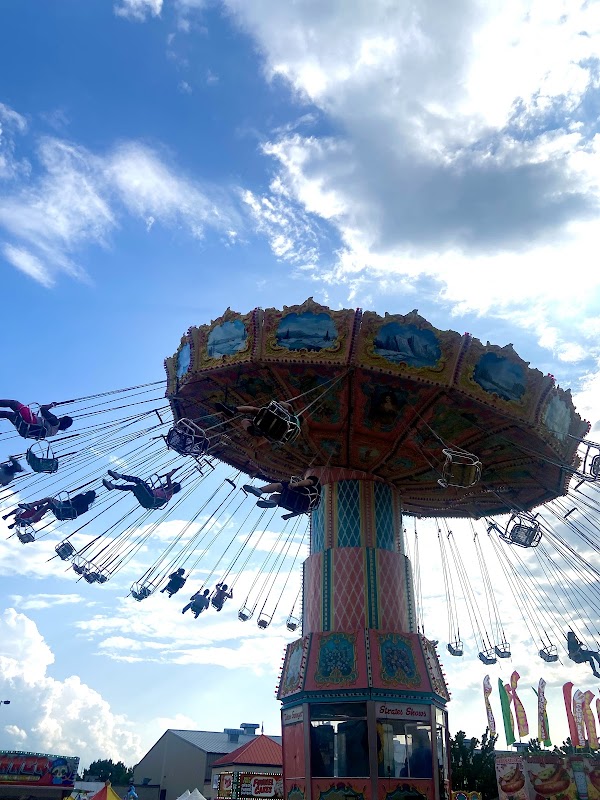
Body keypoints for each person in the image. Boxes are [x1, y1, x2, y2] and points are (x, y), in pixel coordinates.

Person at [216, 400, 299, 443]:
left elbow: (288, 406)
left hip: (274, 421)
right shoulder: (295, 421)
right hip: (274, 432)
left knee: (253, 410)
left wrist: (281, 403)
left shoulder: (294, 417)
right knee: (245, 420)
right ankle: (253, 431)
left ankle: (234, 410)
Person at [102, 468, 181, 509]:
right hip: (149, 496)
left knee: (138, 480)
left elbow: (168, 477)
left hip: (151, 497)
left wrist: (174, 471)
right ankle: (113, 486)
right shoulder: (164, 489)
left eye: (172, 484)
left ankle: (119, 476)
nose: (170, 484)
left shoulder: (170, 492)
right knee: (132, 487)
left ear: (174, 487)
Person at [243, 473, 321, 513]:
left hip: (304, 496)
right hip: (303, 506)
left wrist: (296, 484)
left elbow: (309, 481)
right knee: (275, 496)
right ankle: (273, 501)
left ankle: (260, 490)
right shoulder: (317, 491)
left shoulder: (314, 480)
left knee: (278, 486)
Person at [0, 400, 73, 439]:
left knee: (14, 403)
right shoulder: (54, 433)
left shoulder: (55, 422)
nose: (60, 418)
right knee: (8, 415)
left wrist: (51, 405)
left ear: (63, 420)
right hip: (25, 430)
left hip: (29, 421)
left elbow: (42, 409)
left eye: (62, 418)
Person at [16, 491, 96, 522]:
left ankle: (31, 506)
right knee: (49, 505)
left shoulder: (81, 497)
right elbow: (75, 515)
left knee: (49, 499)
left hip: (64, 508)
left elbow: (70, 502)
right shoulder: (86, 508)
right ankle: (31, 519)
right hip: (64, 514)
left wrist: (59, 502)